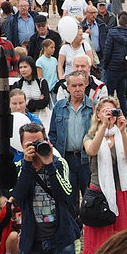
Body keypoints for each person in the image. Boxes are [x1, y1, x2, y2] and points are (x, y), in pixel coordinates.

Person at [11, 122, 80, 254]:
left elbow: (66, 196)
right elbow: (18, 197)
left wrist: (49, 165)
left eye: (38, 142)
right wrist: (27, 164)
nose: (35, 147)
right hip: (32, 240)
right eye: (30, 144)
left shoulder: (59, 163)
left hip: (61, 238)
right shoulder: (19, 167)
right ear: (21, 146)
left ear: (47, 141)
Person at [81, 96, 127, 254]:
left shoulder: (120, 135)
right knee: (99, 241)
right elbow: (92, 150)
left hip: (120, 193)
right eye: (106, 112)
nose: (110, 115)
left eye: (113, 112)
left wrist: (123, 131)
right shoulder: (90, 136)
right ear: (98, 115)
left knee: (121, 238)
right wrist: (103, 127)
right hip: (99, 194)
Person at [47, 71, 93, 214]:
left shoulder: (94, 107)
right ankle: (74, 231)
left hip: (87, 160)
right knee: (69, 198)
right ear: (67, 87)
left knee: (90, 197)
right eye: (74, 86)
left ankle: (90, 229)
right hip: (67, 159)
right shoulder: (59, 107)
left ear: (86, 85)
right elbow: (52, 133)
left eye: (80, 85)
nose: (77, 89)